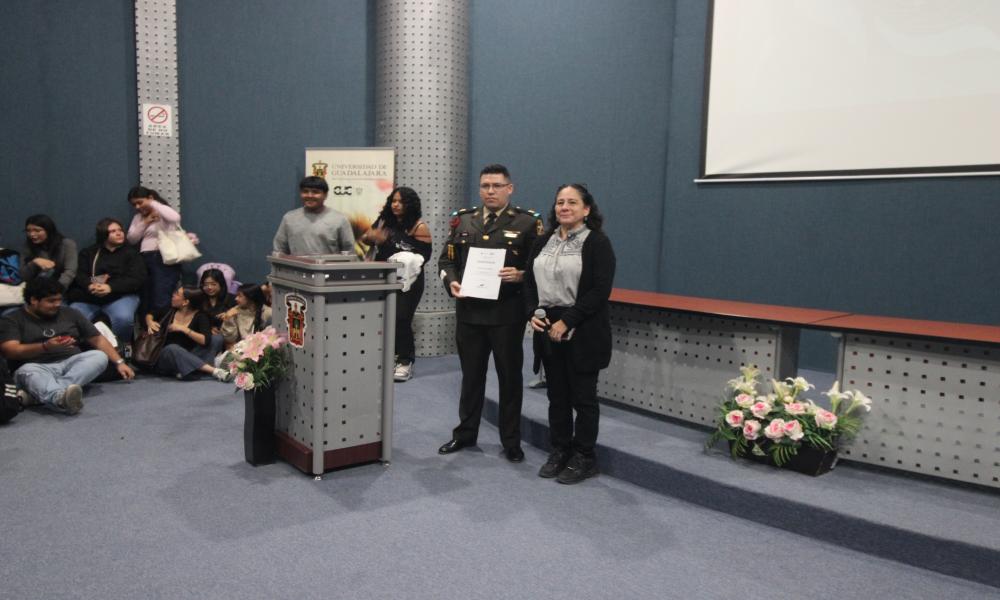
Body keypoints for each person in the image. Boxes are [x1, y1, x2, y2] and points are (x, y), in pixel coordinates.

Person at [437, 164, 542, 463]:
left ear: (510, 188)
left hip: (506, 316)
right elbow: (447, 260)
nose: (490, 191)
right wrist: (451, 280)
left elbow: (539, 266)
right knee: (471, 377)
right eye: (485, 186)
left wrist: (521, 275)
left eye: (497, 186)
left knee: (510, 380)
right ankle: (465, 434)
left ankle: (511, 441)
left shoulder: (527, 222)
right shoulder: (463, 220)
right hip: (469, 314)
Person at [524, 184, 615, 484]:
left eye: (572, 202)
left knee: (583, 398)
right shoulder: (541, 242)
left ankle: (585, 456)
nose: (564, 207)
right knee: (557, 396)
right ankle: (560, 449)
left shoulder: (597, 242)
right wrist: (531, 314)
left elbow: (600, 291)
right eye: (560, 202)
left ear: (586, 209)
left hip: (583, 328)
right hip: (546, 325)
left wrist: (568, 320)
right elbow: (528, 285)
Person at [0, 278, 133, 414]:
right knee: (28, 371)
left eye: (59, 300)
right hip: (37, 367)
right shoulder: (12, 319)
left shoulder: (70, 313)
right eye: (51, 301)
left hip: (71, 364)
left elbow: (97, 338)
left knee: (98, 356)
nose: (57, 304)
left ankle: (44, 394)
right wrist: (45, 347)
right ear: (34, 300)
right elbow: (10, 351)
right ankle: (59, 397)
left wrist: (119, 362)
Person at [359, 186, 432, 382]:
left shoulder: (419, 227)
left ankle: (405, 361)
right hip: (383, 278)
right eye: (393, 201)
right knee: (384, 319)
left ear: (410, 205)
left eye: (401, 201)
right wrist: (372, 237)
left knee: (401, 318)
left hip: (409, 282)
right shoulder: (384, 222)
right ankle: (389, 357)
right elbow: (365, 238)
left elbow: (425, 256)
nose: (396, 205)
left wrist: (398, 248)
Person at [68, 218, 147, 344]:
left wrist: (111, 287)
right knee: (72, 316)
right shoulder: (89, 253)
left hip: (120, 296)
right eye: (113, 231)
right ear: (103, 234)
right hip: (90, 297)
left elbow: (137, 278)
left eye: (120, 230)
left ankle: (122, 348)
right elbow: (80, 275)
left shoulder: (131, 253)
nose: (119, 233)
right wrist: (90, 285)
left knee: (123, 318)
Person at [144, 286, 230, 382]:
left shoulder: (201, 316)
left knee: (216, 338)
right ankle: (213, 371)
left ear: (185, 302)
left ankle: (188, 369)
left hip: (190, 353)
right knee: (172, 348)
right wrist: (149, 322)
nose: (173, 295)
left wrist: (184, 329)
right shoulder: (169, 310)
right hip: (165, 357)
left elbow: (205, 340)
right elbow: (150, 314)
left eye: (177, 294)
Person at [126, 186, 183, 312]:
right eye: (134, 205)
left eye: (140, 202)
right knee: (147, 294)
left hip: (163, 258)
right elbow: (132, 239)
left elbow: (175, 217)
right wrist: (145, 222)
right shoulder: (138, 218)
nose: (137, 207)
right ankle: (148, 326)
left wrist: (155, 204)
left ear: (150, 198)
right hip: (145, 259)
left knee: (162, 295)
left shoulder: (163, 211)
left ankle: (163, 326)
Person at [272, 176, 356, 255]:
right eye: (305, 191)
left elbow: (349, 252)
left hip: (329, 270)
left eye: (315, 192)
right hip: (296, 270)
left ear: (325, 195)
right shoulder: (289, 218)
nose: (310, 195)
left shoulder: (339, 219)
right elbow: (279, 250)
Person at [20, 214, 78, 290]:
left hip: (60, 289)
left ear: (48, 230)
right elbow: (24, 276)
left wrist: (56, 290)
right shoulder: (28, 246)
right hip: (36, 290)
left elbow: (70, 272)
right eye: (28, 231)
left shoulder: (67, 244)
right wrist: (34, 262)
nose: (32, 234)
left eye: (37, 230)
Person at [219, 283, 272, 349]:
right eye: (236, 295)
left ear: (250, 297)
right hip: (240, 349)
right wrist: (228, 320)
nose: (236, 298)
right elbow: (230, 339)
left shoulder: (267, 312)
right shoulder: (235, 311)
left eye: (240, 296)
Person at [199, 268, 235, 335]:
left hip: (227, 334)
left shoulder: (232, 299)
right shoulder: (198, 299)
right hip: (202, 334)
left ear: (221, 284)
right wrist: (208, 329)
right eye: (206, 284)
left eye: (213, 284)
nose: (209, 287)